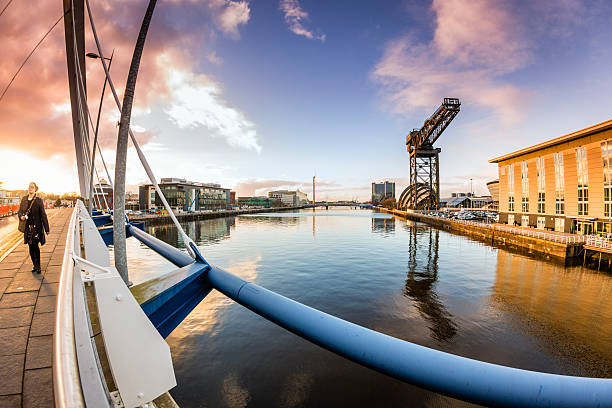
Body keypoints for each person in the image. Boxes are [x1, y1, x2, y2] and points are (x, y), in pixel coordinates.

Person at [18, 182, 49, 274]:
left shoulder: (39, 200)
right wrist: (21, 217)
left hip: (36, 227)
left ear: (35, 189)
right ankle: (34, 265)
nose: (30, 188)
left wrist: (46, 228)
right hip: (27, 227)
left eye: (32, 187)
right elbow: (19, 212)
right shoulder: (24, 199)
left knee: (35, 246)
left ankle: (38, 265)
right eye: (29, 187)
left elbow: (43, 215)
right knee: (30, 247)